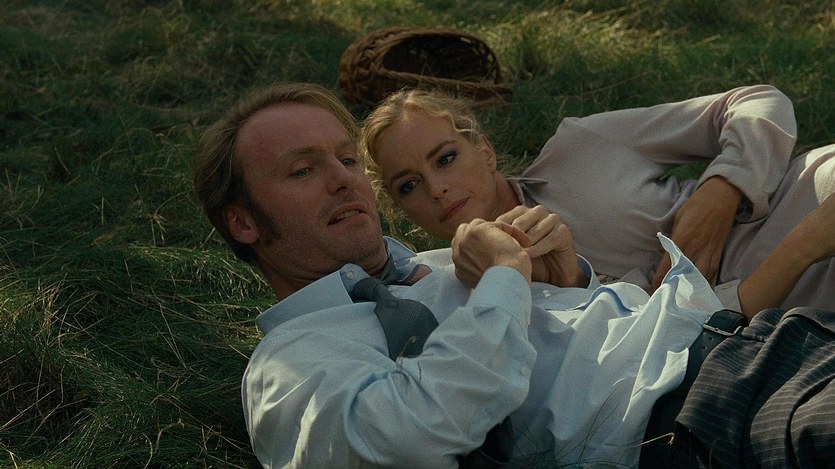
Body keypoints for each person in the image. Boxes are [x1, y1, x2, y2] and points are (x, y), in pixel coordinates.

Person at [193, 82, 835, 468]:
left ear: (485, 148)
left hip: (755, 341)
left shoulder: (440, 267)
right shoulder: (291, 363)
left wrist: (572, 281)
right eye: (304, 170)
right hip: (690, 407)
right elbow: (408, 440)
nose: (342, 180)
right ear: (243, 221)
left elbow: (601, 333)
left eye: (344, 159)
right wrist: (504, 278)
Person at [359, 86, 835, 312]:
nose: (436, 188)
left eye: (445, 159)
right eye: (409, 186)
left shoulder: (580, 147)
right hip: (786, 318)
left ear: (483, 149)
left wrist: (722, 191)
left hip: (808, 201)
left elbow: (756, 103)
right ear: (402, 212)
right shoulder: (482, 297)